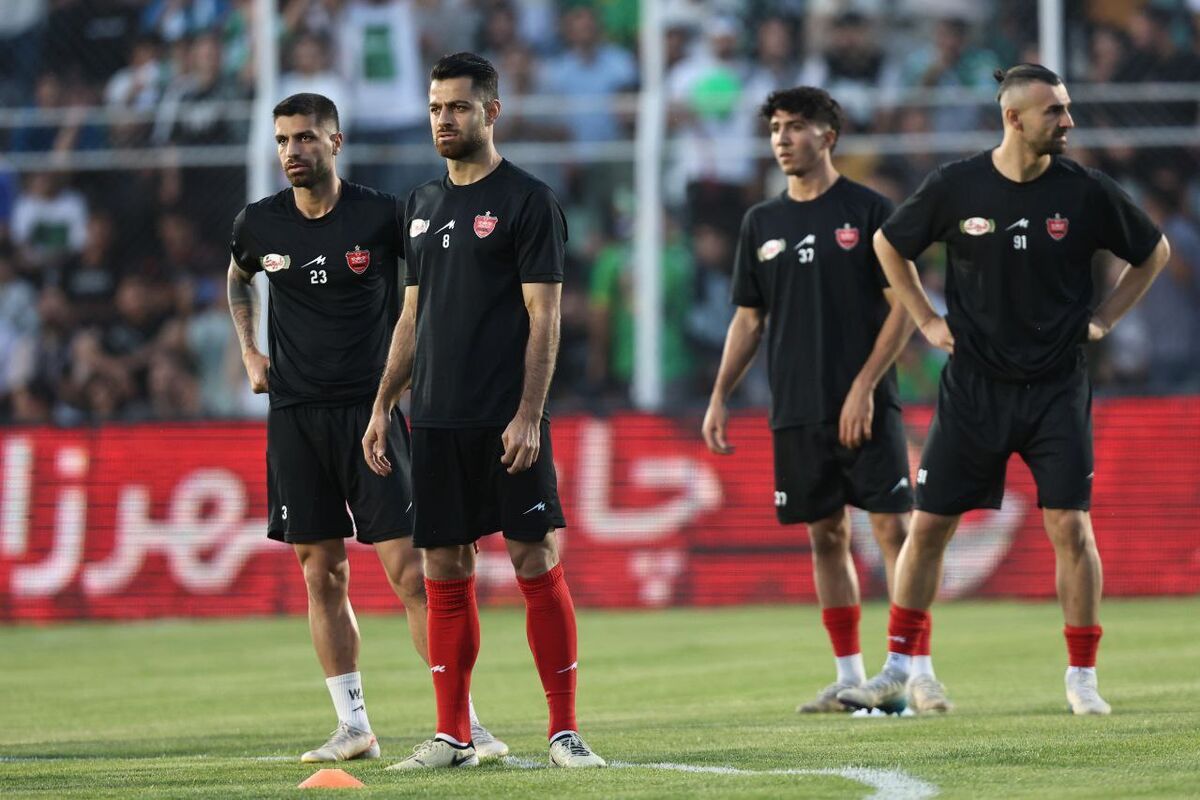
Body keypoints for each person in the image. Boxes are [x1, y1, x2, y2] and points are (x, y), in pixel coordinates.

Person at [840, 65, 1170, 716]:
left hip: (1056, 388)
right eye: (1055, 111)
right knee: (929, 527)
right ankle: (898, 666)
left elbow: (1152, 252)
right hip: (974, 388)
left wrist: (1105, 318)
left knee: (1070, 527)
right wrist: (926, 319)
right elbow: (887, 244)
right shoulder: (956, 186)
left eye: (1067, 108)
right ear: (1013, 118)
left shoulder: (1085, 191)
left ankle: (1082, 678)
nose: (1068, 121)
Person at [226, 92, 506, 763]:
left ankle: (463, 721)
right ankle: (353, 726)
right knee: (320, 572)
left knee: (412, 572)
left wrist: (408, 375)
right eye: (283, 141)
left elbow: (427, 290)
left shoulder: (382, 216)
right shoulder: (259, 223)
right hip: (295, 417)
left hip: (370, 415)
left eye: (306, 138)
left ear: (336, 141)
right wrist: (250, 350)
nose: (293, 151)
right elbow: (238, 280)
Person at [362, 52, 605, 769]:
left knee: (534, 557)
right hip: (436, 419)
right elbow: (411, 317)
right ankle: (453, 735)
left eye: (459, 107)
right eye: (436, 107)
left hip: (505, 417)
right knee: (443, 565)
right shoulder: (419, 205)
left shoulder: (529, 201)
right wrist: (382, 404)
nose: (444, 119)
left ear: (492, 112)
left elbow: (545, 317)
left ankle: (564, 731)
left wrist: (530, 413)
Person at [701, 86, 948, 715]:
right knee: (826, 534)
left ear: (828, 136)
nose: (782, 139)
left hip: (867, 402)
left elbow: (904, 306)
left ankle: (916, 673)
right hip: (796, 406)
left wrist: (864, 386)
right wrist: (720, 394)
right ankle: (849, 679)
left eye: (795, 126)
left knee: (893, 529)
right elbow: (748, 319)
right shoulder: (761, 222)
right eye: (775, 128)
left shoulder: (869, 211)